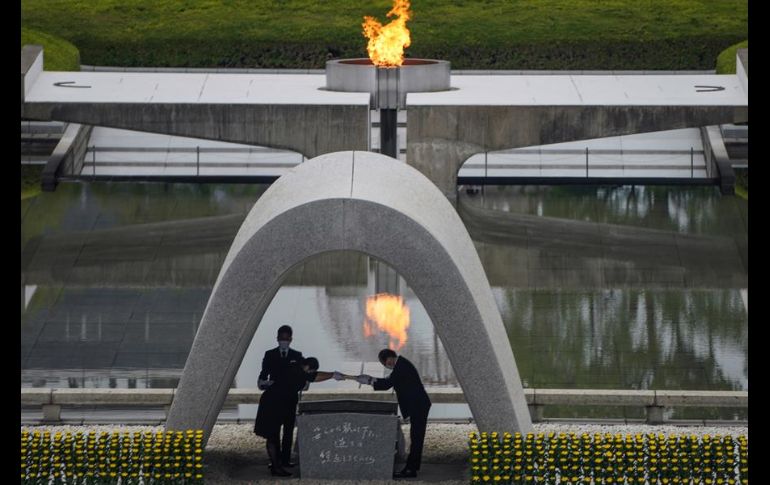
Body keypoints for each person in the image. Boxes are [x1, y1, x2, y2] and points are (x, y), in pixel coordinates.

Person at [354, 349, 431, 479]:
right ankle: (413, 466)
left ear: (389, 359)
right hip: (419, 405)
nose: (386, 366)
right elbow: (388, 381)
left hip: (418, 405)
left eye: (385, 363)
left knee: (416, 437)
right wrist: (371, 379)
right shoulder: (401, 364)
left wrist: (369, 381)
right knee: (417, 437)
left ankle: (410, 470)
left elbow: (387, 384)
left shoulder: (401, 366)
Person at [254, 354, 335, 476]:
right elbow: (313, 377)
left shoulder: (296, 368)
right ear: (308, 367)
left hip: (275, 402)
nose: (310, 373)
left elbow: (312, 376)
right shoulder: (296, 371)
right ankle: (276, 467)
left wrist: (332, 374)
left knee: (273, 434)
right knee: (272, 435)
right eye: (311, 370)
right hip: (271, 404)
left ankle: (278, 464)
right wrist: (333, 375)